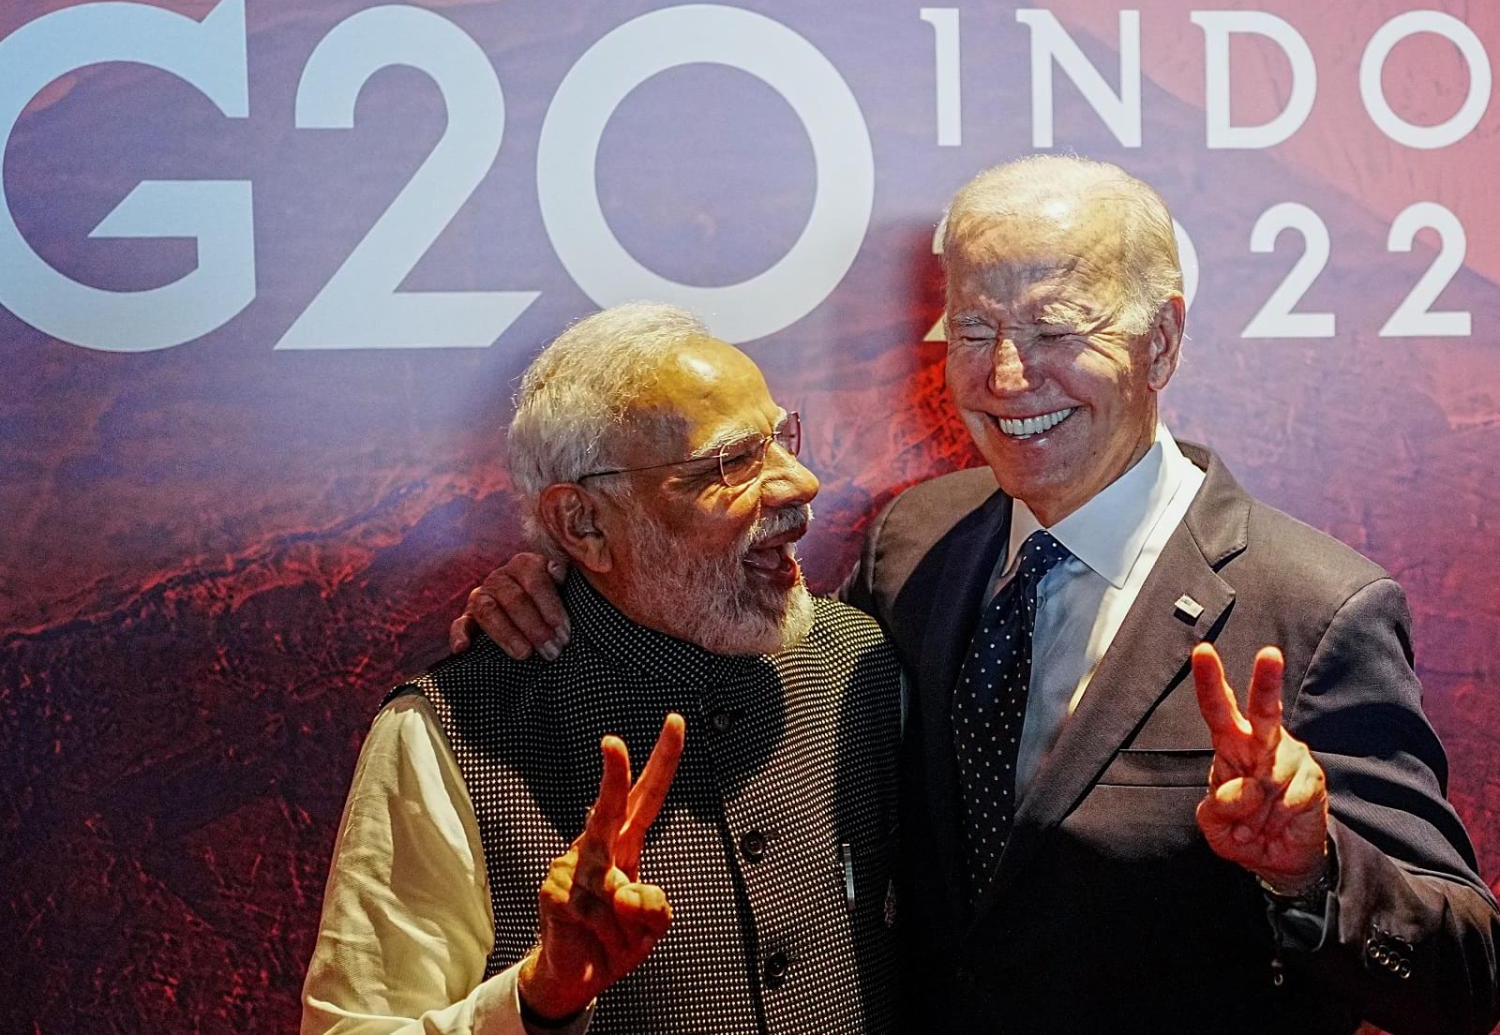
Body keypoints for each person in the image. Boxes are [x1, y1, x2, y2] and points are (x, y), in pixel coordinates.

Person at [451, 157, 1500, 1034]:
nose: (1004, 378)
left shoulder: (1315, 609)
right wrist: (573, 583)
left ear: (1162, 342)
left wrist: (1310, 868)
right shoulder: (917, 541)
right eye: (971, 331)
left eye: (1054, 331)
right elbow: (739, 644)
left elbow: (1467, 973)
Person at [303, 303, 903, 1034]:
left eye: (780, 439)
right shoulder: (447, 735)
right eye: (732, 462)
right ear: (583, 523)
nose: (800, 483)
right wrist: (535, 998)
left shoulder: (860, 665)